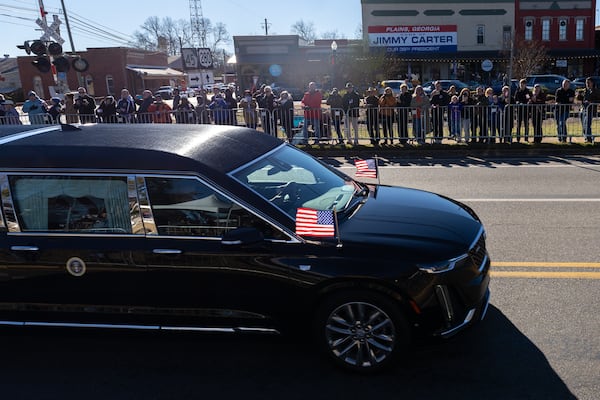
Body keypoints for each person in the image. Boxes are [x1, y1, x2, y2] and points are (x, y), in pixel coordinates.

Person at [577, 77, 600, 143]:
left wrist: (591, 102)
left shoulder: (596, 91)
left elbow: (598, 100)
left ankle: (589, 138)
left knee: (587, 124)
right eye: (586, 82)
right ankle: (586, 137)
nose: (587, 84)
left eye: (588, 82)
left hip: (591, 110)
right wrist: (578, 95)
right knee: (583, 124)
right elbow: (579, 99)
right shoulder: (584, 91)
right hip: (583, 109)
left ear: (592, 83)